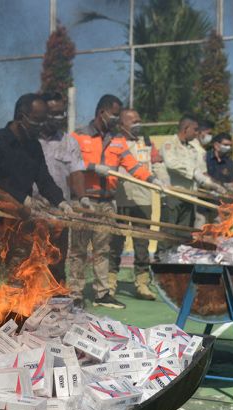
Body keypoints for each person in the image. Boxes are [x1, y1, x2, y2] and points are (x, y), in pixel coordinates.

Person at [69, 95, 158, 309]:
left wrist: (154, 180)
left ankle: (102, 293)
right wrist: (91, 167)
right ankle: (75, 294)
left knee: (102, 250)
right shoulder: (78, 136)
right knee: (78, 250)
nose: (117, 119)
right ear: (102, 113)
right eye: (115, 114)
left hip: (107, 203)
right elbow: (70, 162)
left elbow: (133, 166)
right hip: (83, 201)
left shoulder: (117, 140)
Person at [0, 93, 73, 254]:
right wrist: (24, 198)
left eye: (44, 121)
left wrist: (61, 201)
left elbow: (44, 180)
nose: (41, 126)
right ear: (21, 117)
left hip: (20, 223)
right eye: (37, 121)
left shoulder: (34, 146)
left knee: (19, 273)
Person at [109, 109, 168, 301]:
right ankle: (110, 284)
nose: (137, 123)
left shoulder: (148, 142)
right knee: (116, 243)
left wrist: (164, 183)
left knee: (142, 243)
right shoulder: (115, 142)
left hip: (143, 200)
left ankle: (142, 284)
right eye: (133, 121)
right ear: (121, 125)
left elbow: (158, 165)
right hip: (121, 198)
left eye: (139, 120)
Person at [35, 91, 85, 283]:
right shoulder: (30, 140)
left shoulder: (69, 141)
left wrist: (82, 198)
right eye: (53, 113)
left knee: (57, 260)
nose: (59, 118)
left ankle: (57, 303)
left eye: (61, 113)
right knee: (31, 263)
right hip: (31, 210)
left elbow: (76, 172)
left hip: (59, 211)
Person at [159, 115, 225, 252]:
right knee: (169, 232)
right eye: (195, 130)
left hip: (190, 197)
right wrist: (194, 173)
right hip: (173, 195)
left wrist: (212, 185)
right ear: (185, 128)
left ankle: (179, 263)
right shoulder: (170, 144)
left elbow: (201, 172)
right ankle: (162, 261)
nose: (196, 133)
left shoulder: (192, 148)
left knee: (185, 234)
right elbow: (171, 164)